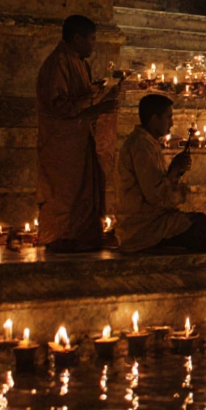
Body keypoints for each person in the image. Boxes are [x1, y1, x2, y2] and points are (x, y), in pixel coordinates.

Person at [35, 15, 121, 253]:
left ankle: (81, 237)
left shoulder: (79, 62)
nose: (94, 44)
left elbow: (77, 97)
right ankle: (60, 238)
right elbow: (57, 106)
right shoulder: (58, 63)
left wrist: (95, 90)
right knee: (64, 193)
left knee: (85, 190)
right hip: (62, 144)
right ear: (77, 38)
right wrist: (97, 108)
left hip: (81, 140)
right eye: (91, 39)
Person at [116, 95, 206, 254]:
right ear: (154, 119)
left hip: (157, 223)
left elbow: (158, 186)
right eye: (168, 117)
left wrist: (176, 170)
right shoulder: (141, 146)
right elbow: (155, 196)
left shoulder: (148, 142)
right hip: (145, 230)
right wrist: (174, 170)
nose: (172, 123)